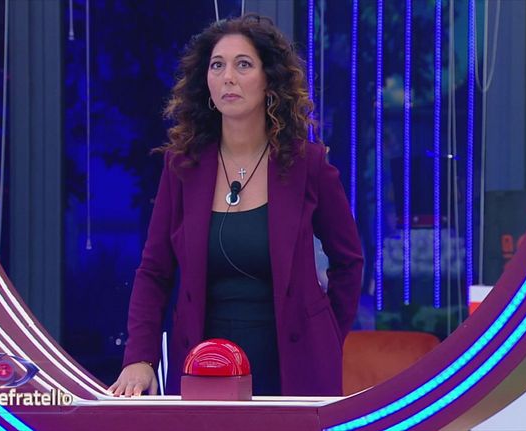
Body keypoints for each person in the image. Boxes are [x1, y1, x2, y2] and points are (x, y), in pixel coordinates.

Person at [109, 14, 362, 398]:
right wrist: (140, 358)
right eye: (217, 65)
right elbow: (154, 272)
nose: (228, 77)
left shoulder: (307, 164)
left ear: (269, 79)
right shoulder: (182, 167)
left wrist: (324, 336)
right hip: (203, 365)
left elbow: (349, 262)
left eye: (243, 64)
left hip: (294, 369)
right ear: (206, 82)